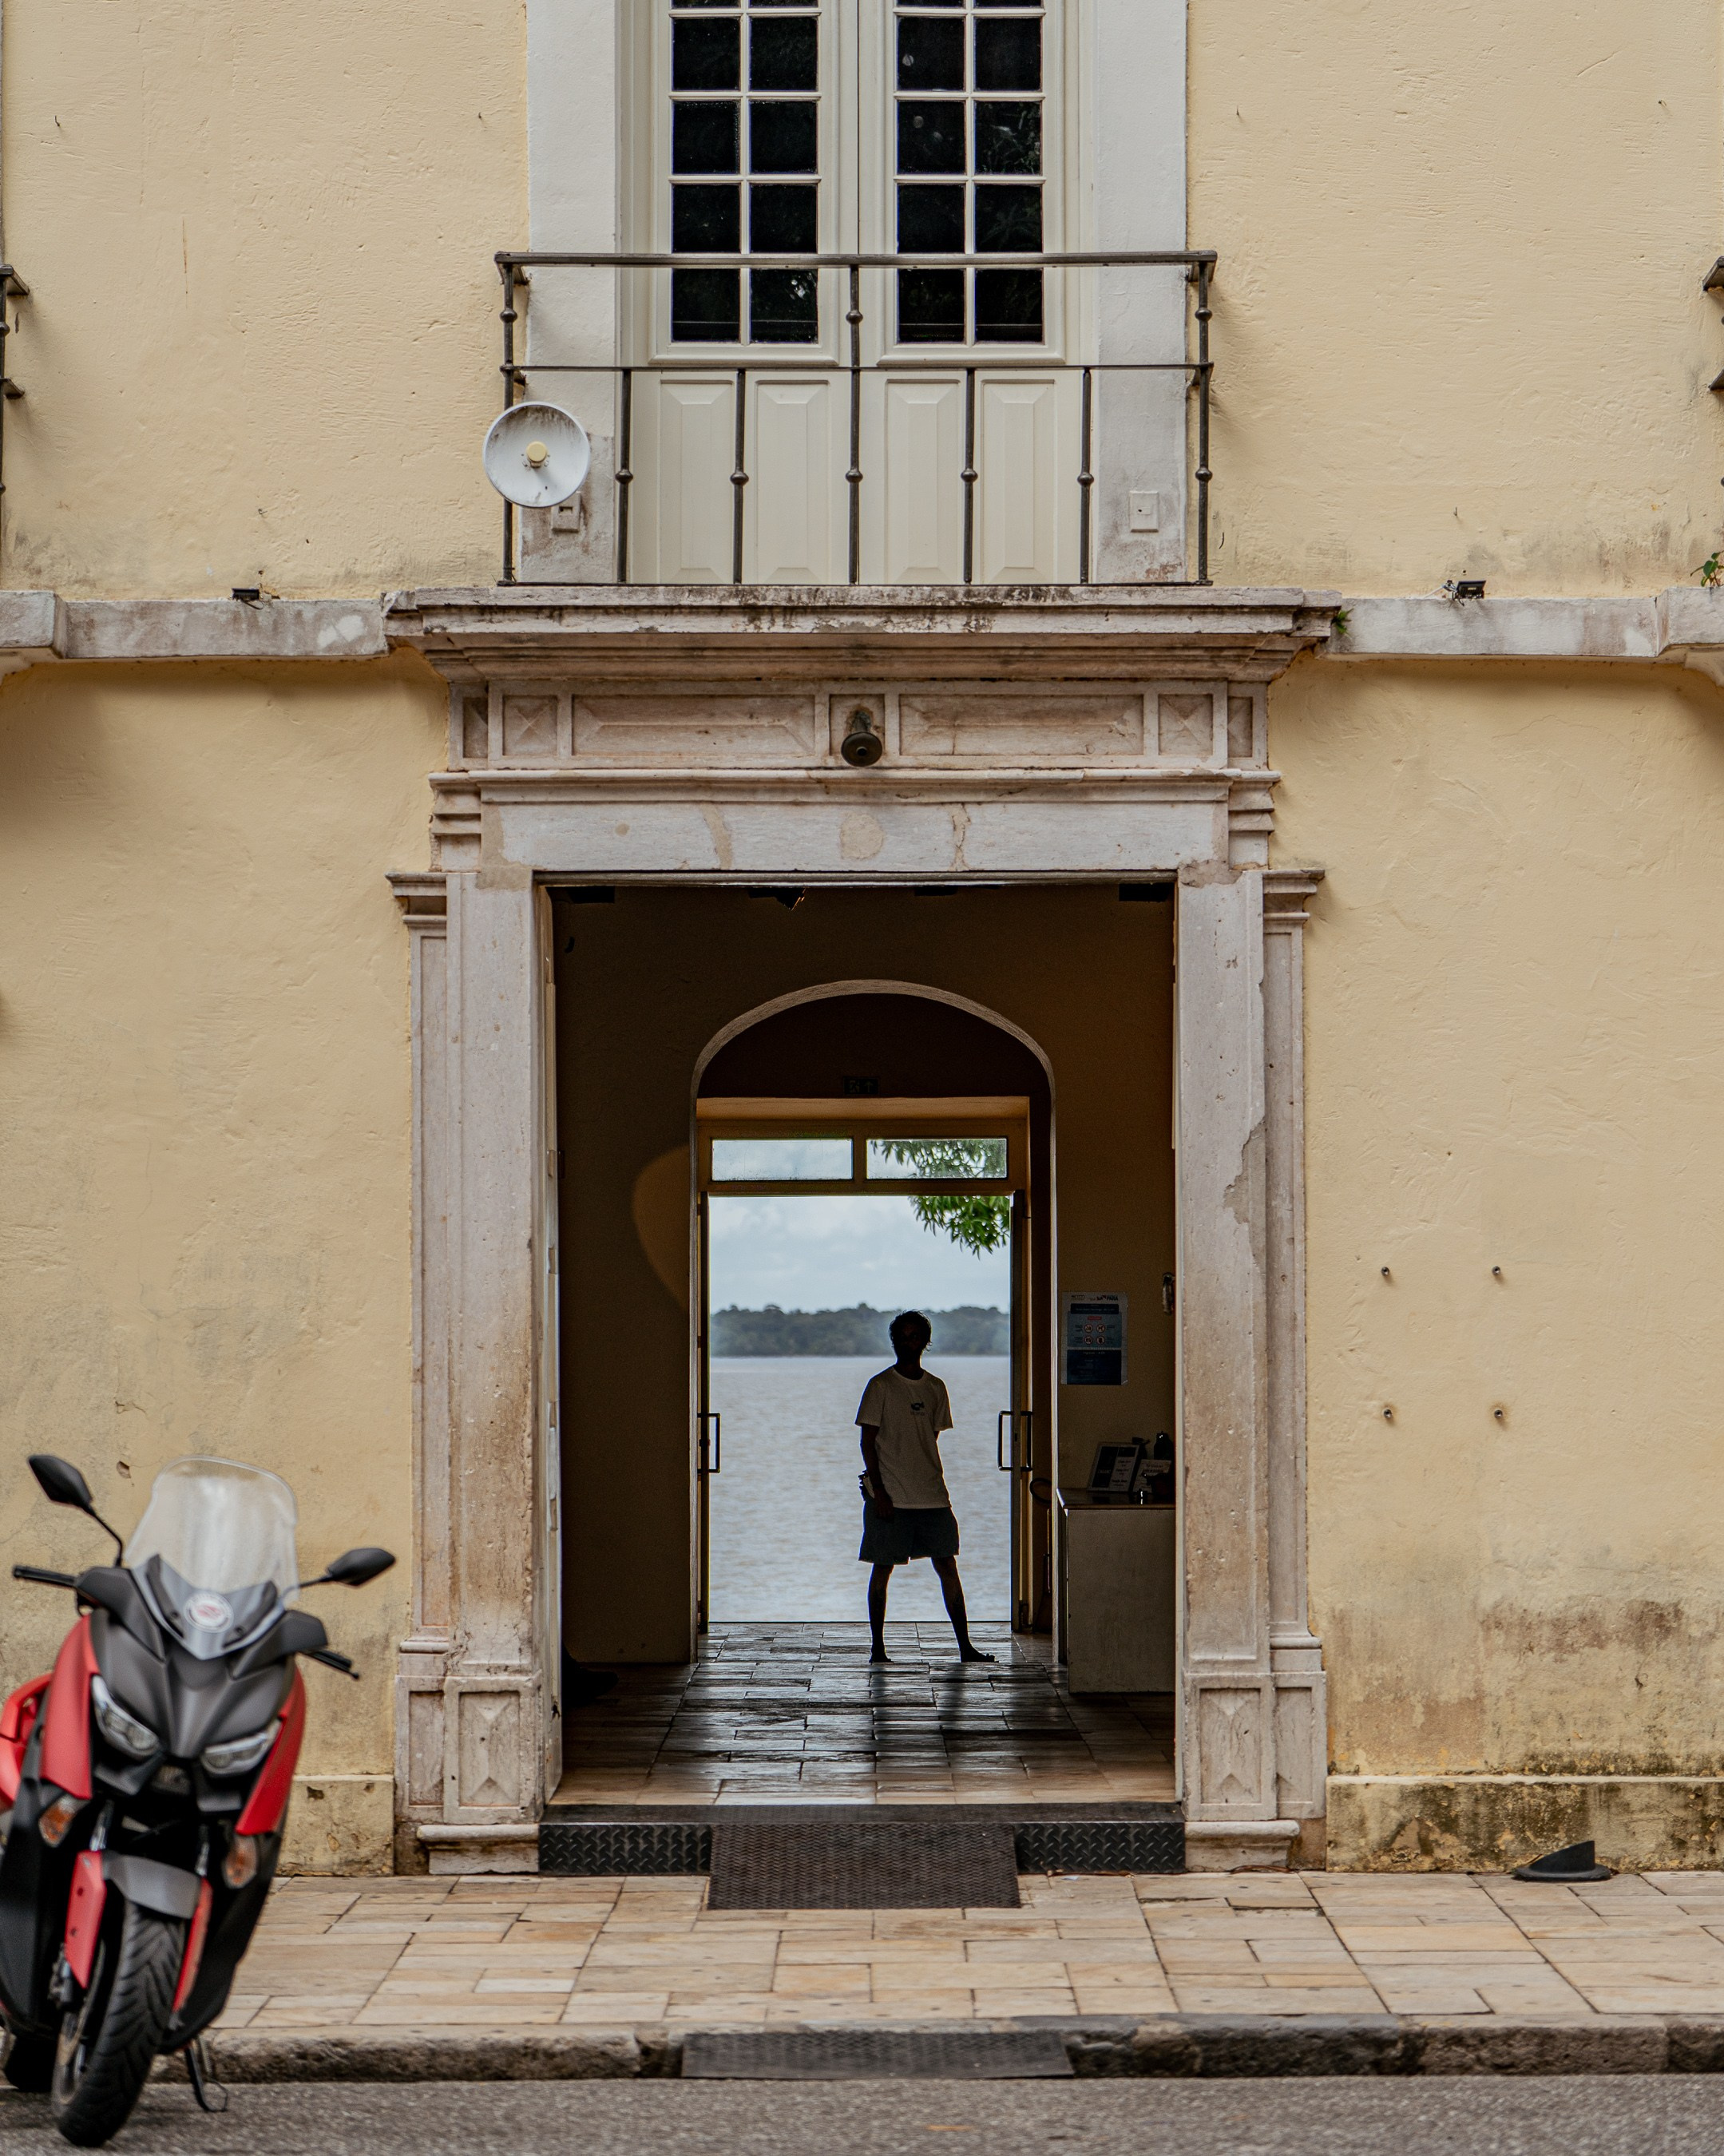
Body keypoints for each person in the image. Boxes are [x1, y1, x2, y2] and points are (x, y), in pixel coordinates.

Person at [857, 1310, 995, 1666]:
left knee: (947, 1565)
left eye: (915, 1336)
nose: (909, 1342)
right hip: (890, 1496)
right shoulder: (880, 1386)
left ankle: (965, 1647)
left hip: (932, 1494)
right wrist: (880, 1491)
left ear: (925, 1341)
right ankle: (877, 1649)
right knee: (882, 1567)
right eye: (902, 1336)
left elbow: (929, 1439)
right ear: (894, 1341)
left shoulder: (935, 1388)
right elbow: (867, 1442)